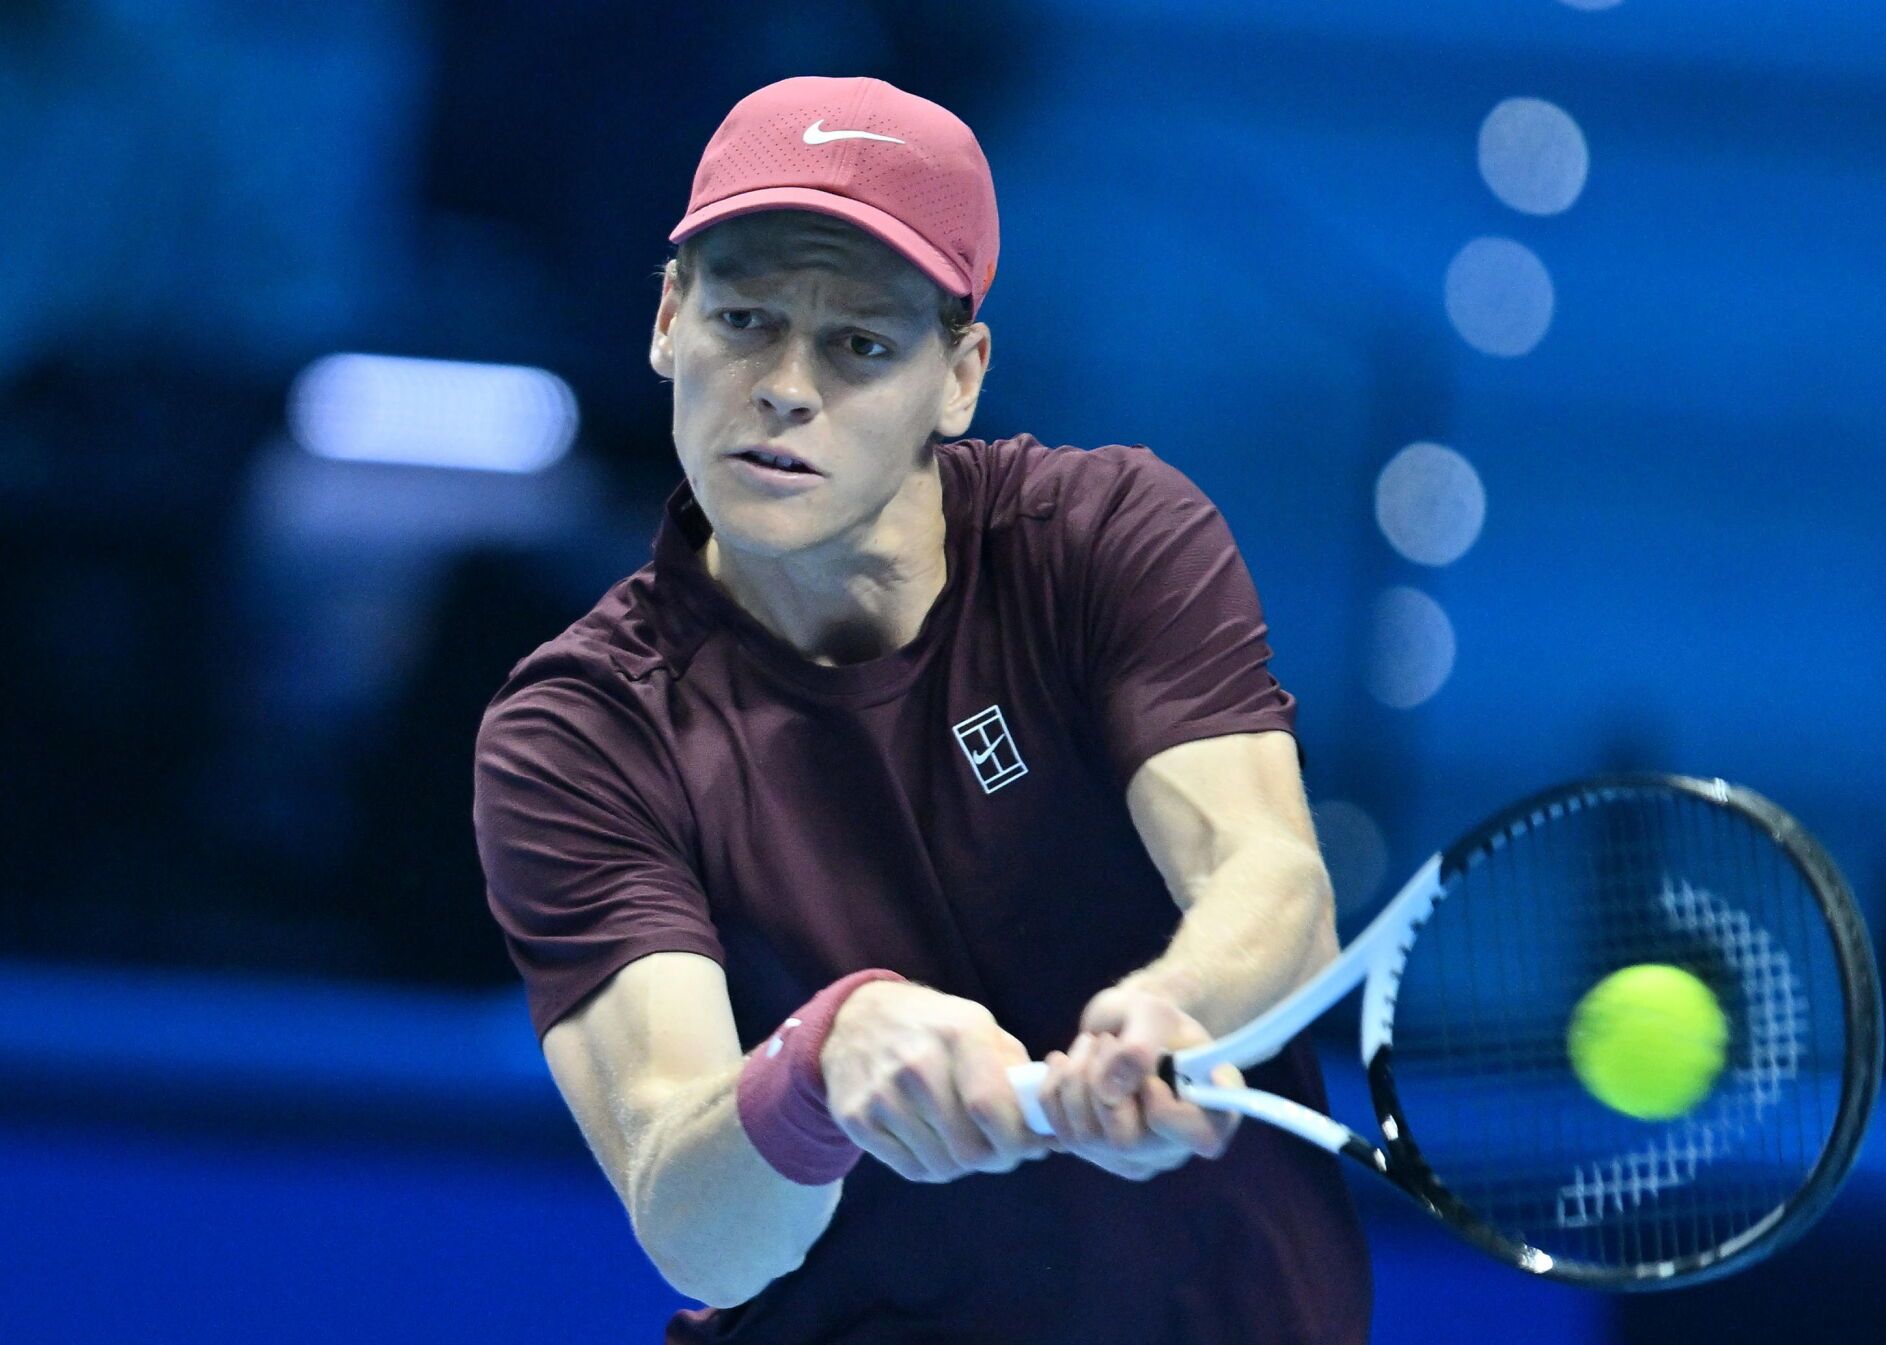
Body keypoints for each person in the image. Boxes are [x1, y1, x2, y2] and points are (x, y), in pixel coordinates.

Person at [472, 75, 1370, 1342]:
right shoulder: (580, 729)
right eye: (744, 318)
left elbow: (1268, 876)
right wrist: (816, 1070)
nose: (784, 386)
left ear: (960, 376)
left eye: (860, 344)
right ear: (669, 319)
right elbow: (695, 1222)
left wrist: (1177, 1007)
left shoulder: (1105, 536)